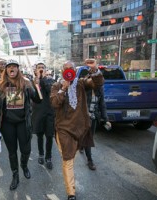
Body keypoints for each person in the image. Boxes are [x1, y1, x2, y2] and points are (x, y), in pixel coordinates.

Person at [49, 60, 104, 200]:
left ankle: (80, 170)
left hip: (80, 128)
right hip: (64, 129)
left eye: (71, 69)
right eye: (66, 69)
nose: (69, 71)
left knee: (71, 159)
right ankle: (71, 193)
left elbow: (97, 83)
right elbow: (55, 103)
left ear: (75, 71)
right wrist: (63, 88)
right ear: (62, 72)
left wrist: (94, 69)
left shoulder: (81, 83)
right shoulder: (56, 86)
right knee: (68, 160)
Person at [0, 59, 41, 190]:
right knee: (12, 152)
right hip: (8, 124)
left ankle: (24, 165)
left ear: (18, 69)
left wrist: (35, 85)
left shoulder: (26, 83)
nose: (12, 69)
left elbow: (37, 99)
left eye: (14, 66)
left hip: (23, 122)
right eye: (9, 67)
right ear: (6, 70)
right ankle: (15, 175)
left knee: (26, 150)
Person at [79, 59, 111, 170]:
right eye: (91, 76)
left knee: (90, 136)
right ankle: (90, 160)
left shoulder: (100, 89)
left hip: (93, 116)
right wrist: (93, 71)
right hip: (84, 116)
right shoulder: (84, 86)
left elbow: (102, 104)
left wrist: (106, 119)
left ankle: (85, 148)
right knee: (87, 136)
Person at [31, 62, 55, 169]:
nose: (40, 69)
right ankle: (41, 154)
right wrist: (35, 83)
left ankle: (48, 157)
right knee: (40, 136)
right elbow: (33, 96)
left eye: (42, 68)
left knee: (49, 136)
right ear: (35, 70)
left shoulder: (50, 80)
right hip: (38, 113)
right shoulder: (32, 82)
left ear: (46, 70)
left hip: (49, 113)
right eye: (39, 68)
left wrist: (43, 79)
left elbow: (50, 91)